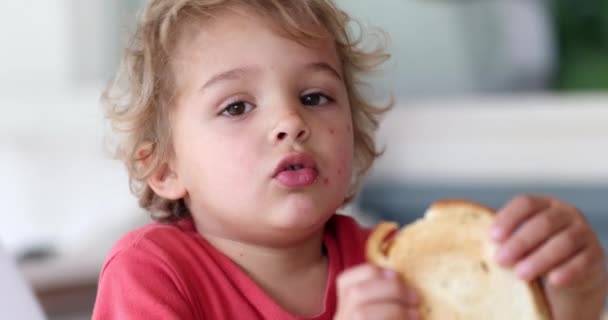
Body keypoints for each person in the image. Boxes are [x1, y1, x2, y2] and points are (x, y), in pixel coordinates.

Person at [92, 0, 608, 319]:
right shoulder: (153, 271)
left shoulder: (399, 261)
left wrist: (572, 294)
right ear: (164, 168)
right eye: (236, 106)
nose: (290, 121)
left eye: (315, 97)